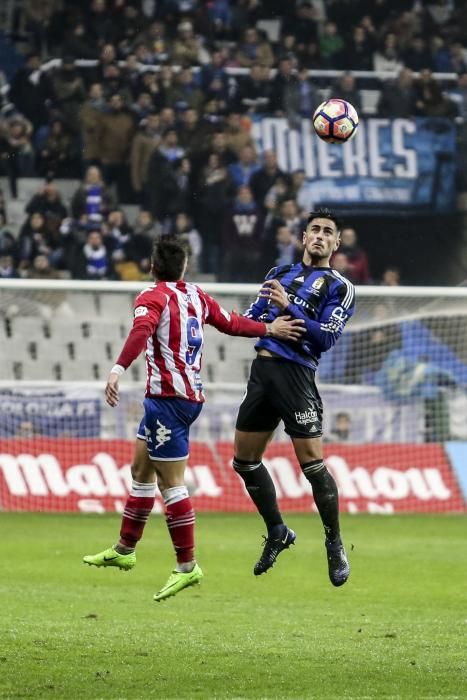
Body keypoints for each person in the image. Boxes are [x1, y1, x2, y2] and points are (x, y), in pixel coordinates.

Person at [83, 235, 304, 601]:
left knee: (171, 485)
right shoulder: (196, 295)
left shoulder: (151, 297)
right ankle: (125, 549)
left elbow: (141, 331)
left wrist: (117, 369)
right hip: (186, 397)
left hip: (168, 400)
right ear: (184, 267)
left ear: (152, 267)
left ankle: (187, 566)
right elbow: (232, 323)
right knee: (141, 470)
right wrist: (268, 328)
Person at [232, 208, 355, 587]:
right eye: (314, 230)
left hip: (296, 376)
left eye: (327, 232)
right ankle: (278, 532)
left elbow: (326, 339)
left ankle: (334, 543)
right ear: (303, 238)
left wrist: (290, 308)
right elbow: (255, 319)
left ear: (336, 243)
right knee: (245, 461)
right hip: (262, 373)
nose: (319, 235)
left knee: (312, 464)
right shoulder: (276, 274)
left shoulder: (340, 287)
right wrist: (247, 320)